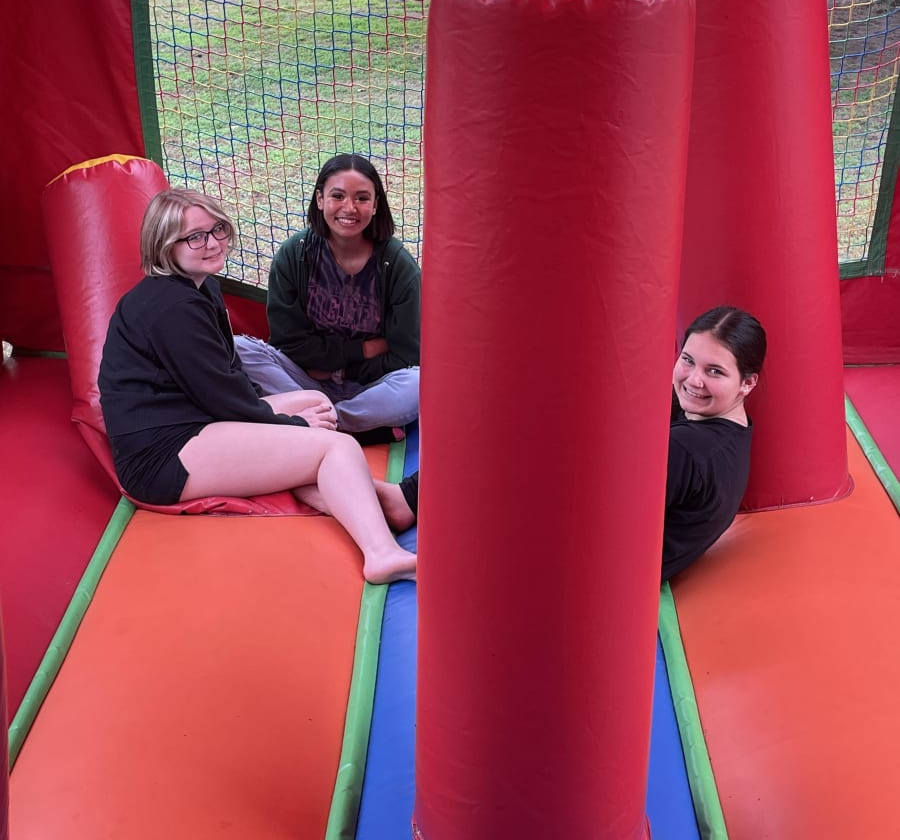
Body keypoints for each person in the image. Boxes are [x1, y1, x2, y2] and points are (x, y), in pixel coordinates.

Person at [98, 188, 416, 586]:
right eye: (194, 237)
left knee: (316, 400)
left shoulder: (200, 287)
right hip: (165, 454)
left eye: (217, 229)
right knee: (335, 446)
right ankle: (382, 554)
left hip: (195, 419)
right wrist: (292, 425)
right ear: (164, 246)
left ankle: (369, 497)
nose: (212, 243)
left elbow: (228, 379)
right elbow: (223, 398)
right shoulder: (172, 307)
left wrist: (291, 417)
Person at [375, 305, 766, 584]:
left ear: (747, 383)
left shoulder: (687, 451)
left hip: (579, 573)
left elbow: (594, 524)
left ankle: (414, 536)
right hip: (608, 553)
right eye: (688, 360)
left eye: (714, 371)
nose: (693, 380)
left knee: (508, 429)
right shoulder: (728, 427)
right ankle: (405, 501)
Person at [235, 155, 420, 438]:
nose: (349, 208)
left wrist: (342, 372)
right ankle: (358, 431)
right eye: (338, 196)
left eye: (362, 198)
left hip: (370, 387)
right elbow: (289, 343)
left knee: (418, 383)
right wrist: (364, 349)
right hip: (303, 380)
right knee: (238, 348)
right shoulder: (294, 254)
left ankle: (323, 422)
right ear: (320, 199)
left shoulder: (397, 264)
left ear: (375, 205)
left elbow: (407, 354)